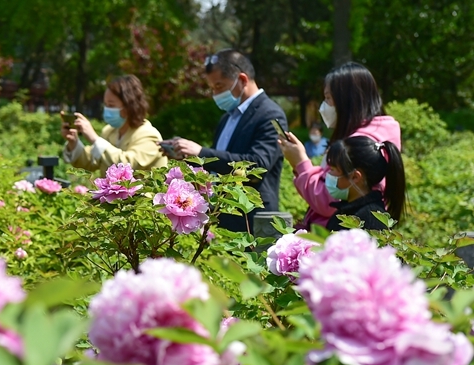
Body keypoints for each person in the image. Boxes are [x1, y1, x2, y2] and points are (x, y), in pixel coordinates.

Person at [161, 50, 288, 233]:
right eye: (212, 87)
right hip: (222, 216)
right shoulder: (227, 118)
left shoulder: (270, 114)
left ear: (242, 80)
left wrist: (201, 153)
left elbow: (258, 164)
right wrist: (186, 155)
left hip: (251, 220)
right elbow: (218, 165)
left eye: (219, 86)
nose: (214, 94)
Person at [278, 62, 401, 230]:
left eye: (328, 98)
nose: (324, 106)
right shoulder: (372, 134)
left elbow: (329, 200)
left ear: (347, 101)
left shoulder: (359, 144)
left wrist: (300, 163)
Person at [61, 75, 167, 172]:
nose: (107, 109)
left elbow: (127, 166)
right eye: (105, 104)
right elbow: (90, 162)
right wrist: (73, 141)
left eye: (111, 105)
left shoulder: (149, 135)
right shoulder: (109, 131)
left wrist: (94, 138)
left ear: (129, 106)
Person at [323, 136, 405, 231]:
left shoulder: (371, 221)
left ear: (355, 177)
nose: (328, 174)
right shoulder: (346, 210)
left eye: (333, 169)